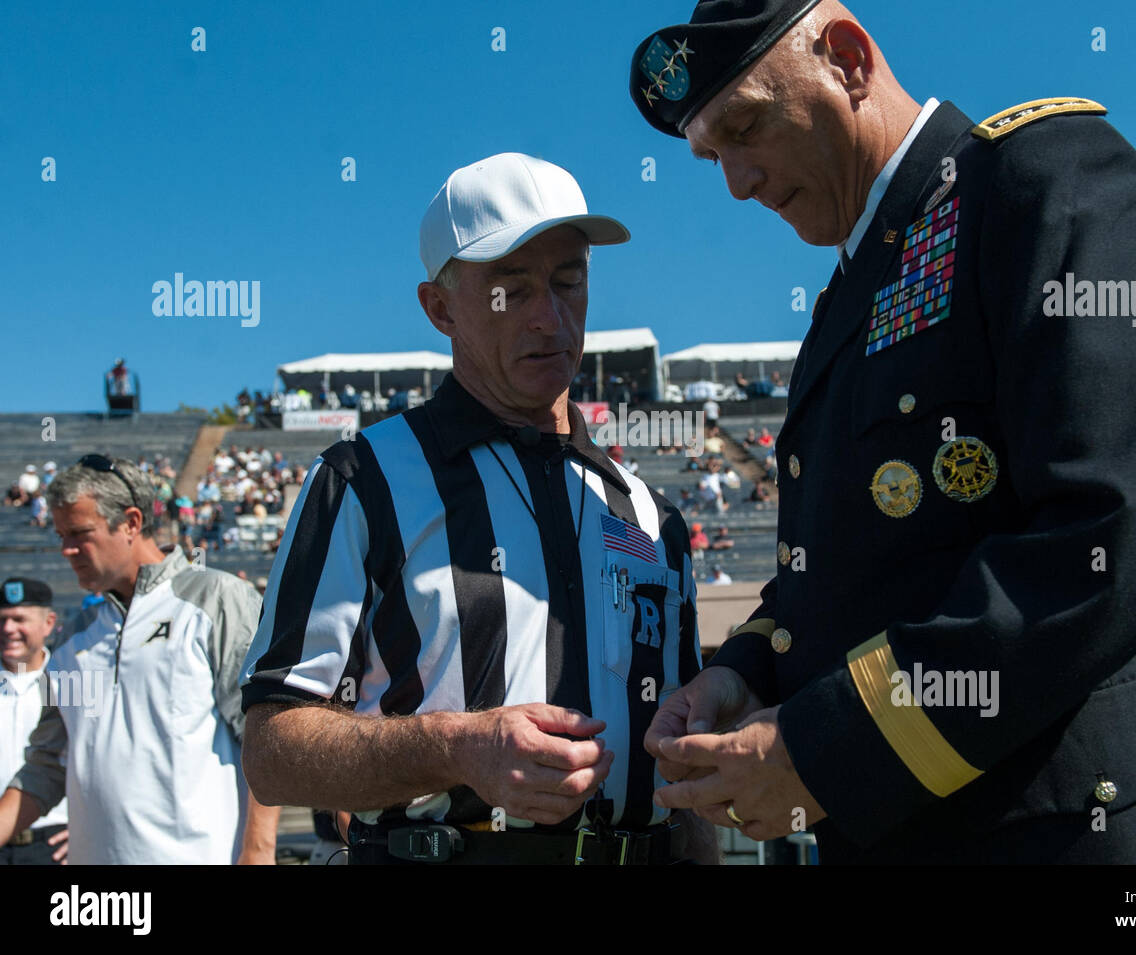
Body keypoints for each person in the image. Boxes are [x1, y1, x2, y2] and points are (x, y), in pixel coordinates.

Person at [628, 0, 1136, 862]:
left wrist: (829, 749)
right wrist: (745, 668)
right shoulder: (843, 305)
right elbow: (842, 571)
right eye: (713, 157)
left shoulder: (1042, 176)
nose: (736, 182)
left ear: (846, 57)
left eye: (748, 127)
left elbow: (1111, 526)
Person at [240, 152, 713, 865]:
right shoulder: (363, 479)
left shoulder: (650, 513)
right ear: (440, 308)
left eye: (568, 281)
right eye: (510, 288)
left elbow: (681, 753)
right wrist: (460, 747)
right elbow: (273, 749)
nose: (548, 317)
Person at [0, 456, 280, 863]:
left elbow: (263, 739)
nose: (66, 550)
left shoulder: (215, 601)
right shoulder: (73, 640)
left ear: (131, 522)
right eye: (61, 535)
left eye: (79, 533)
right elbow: (49, 766)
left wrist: (258, 853)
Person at [0, 578, 69, 864]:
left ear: (49, 622)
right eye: (2, 620)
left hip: (52, 844)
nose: (8, 630)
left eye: (19, 619)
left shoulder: (72, 683)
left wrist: (89, 829)